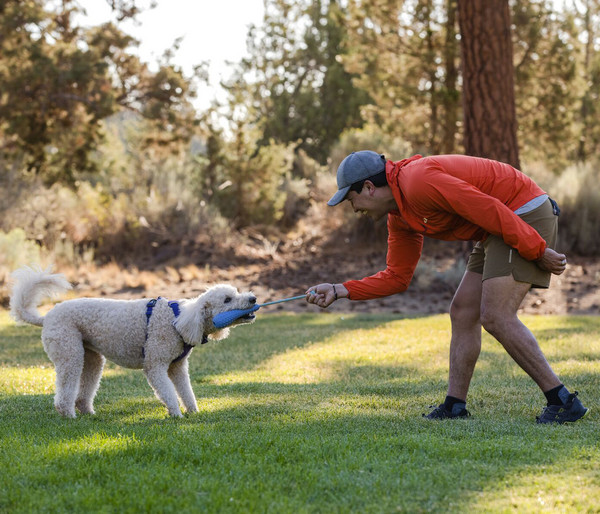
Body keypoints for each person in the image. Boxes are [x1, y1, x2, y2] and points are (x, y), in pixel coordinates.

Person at [306, 150, 589, 424]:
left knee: (496, 315)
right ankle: (455, 406)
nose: (354, 209)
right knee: (463, 310)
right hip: (497, 226)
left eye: (351, 199)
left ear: (369, 187)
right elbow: (397, 276)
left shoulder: (418, 182)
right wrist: (340, 289)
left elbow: (487, 208)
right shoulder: (400, 216)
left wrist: (538, 250)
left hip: (521, 212)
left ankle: (563, 401)